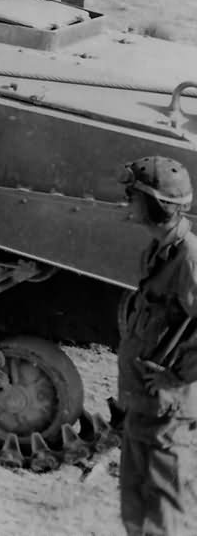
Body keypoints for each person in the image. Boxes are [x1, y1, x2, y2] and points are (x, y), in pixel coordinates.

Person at [117, 155, 197, 536]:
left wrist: (175, 376)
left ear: (154, 204)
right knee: (135, 506)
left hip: (166, 411)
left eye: (132, 196)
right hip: (141, 403)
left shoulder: (189, 259)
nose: (127, 204)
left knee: (165, 512)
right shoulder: (156, 251)